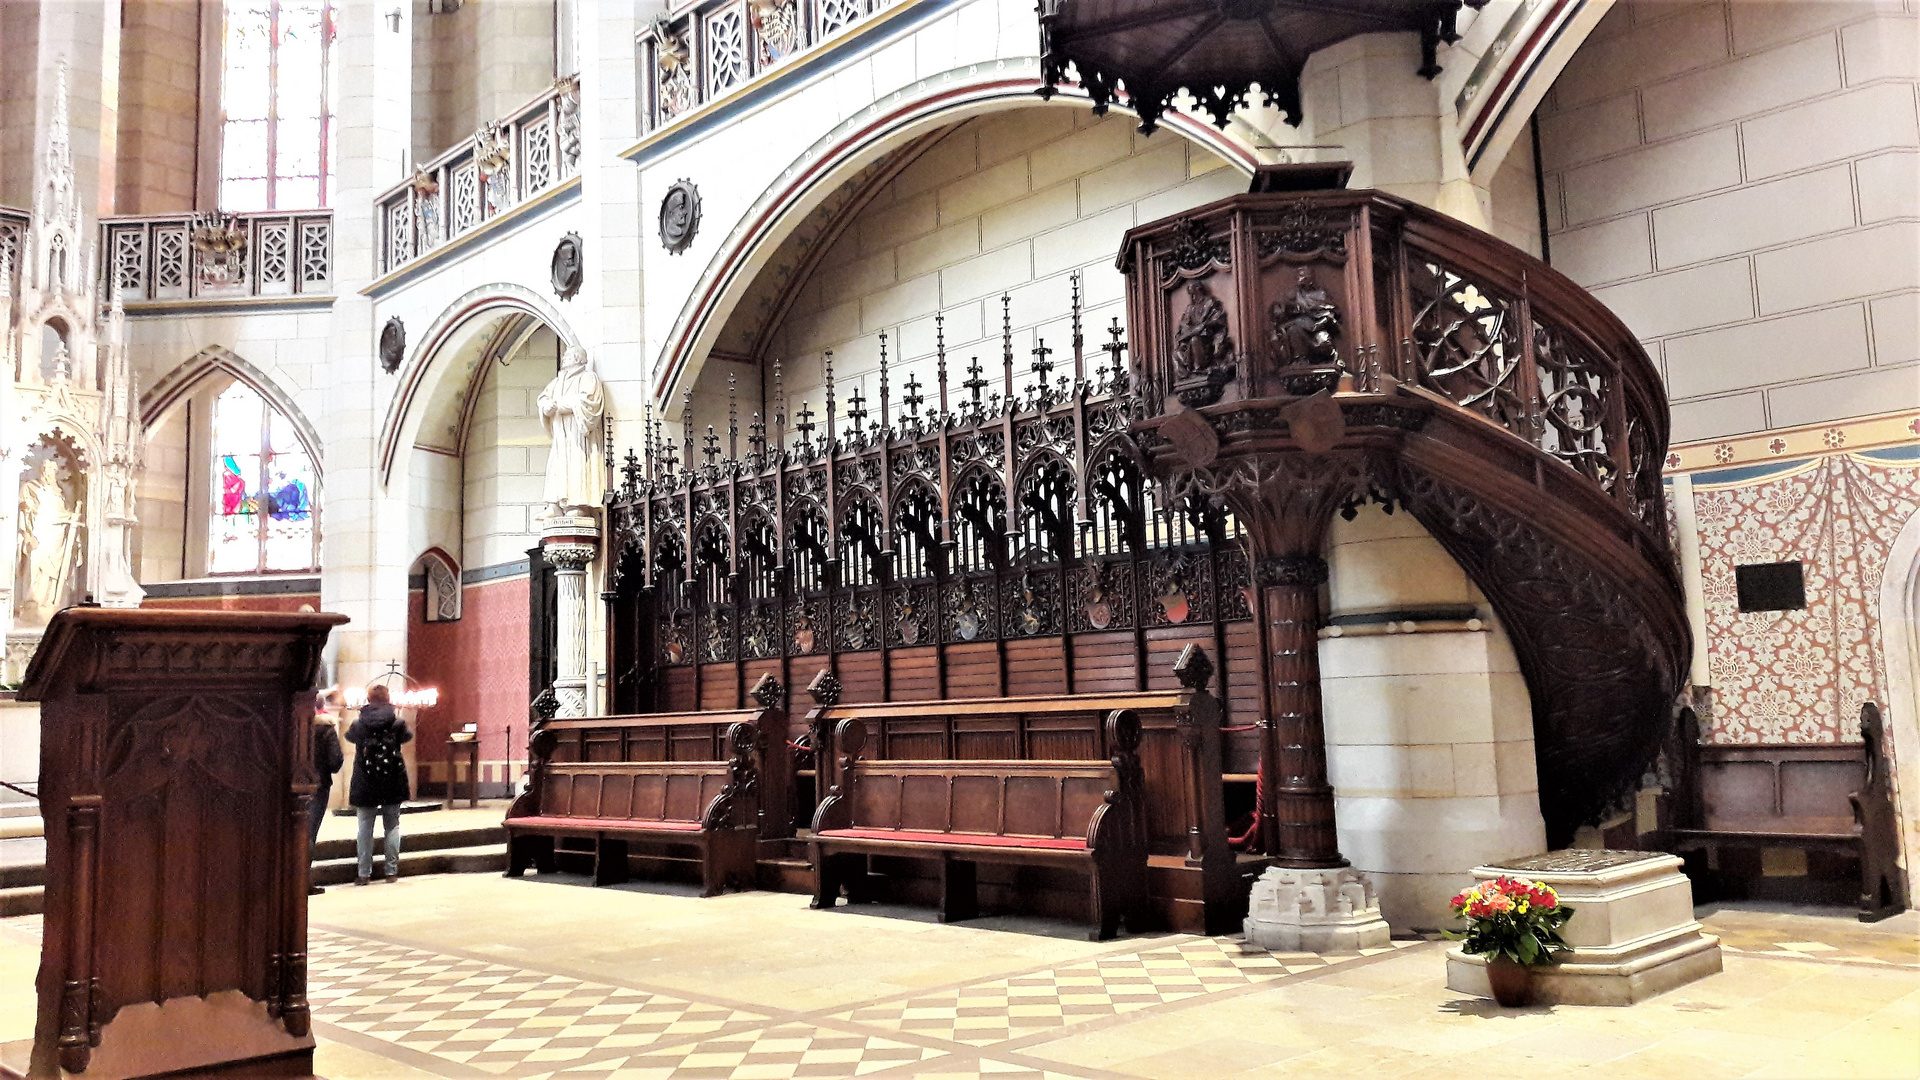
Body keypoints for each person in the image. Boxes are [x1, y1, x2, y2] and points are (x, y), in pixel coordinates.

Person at [345, 683, 412, 885]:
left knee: (365, 827)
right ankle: (391, 872)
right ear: (387, 698)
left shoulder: (359, 724)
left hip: (365, 780)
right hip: (392, 778)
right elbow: (407, 737)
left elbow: (349, 737)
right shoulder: (397, 722)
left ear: (369, 699)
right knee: (392, 826)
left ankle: (364, 874)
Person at [309, 690, 346, 895]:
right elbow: (335, 762)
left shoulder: (289, 723)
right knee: (309, 833)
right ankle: (303, 880)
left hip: (290, 785)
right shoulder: (325, 728)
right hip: (318, 785)